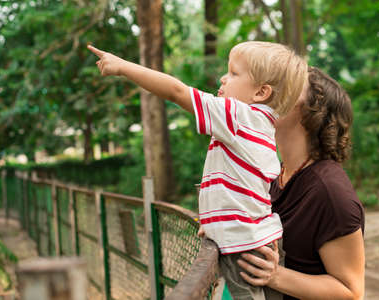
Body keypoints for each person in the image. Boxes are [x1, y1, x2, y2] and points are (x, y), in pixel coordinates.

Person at [88, 41, 308, 299]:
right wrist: (217, 223)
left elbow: (176, 91)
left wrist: (123, 66)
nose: (223, 79)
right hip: (259, 240)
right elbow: (243, 190)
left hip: (244, 247)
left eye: (234, 73)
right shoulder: (262, 126)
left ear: (261, 92)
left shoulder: (238, 116)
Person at [235, 66, 365, 300]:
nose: (271, 89)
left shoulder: (330, 193)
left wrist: (276, 277)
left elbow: (351, 291)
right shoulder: (276, 174)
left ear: (311, 112)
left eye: (289, 85)